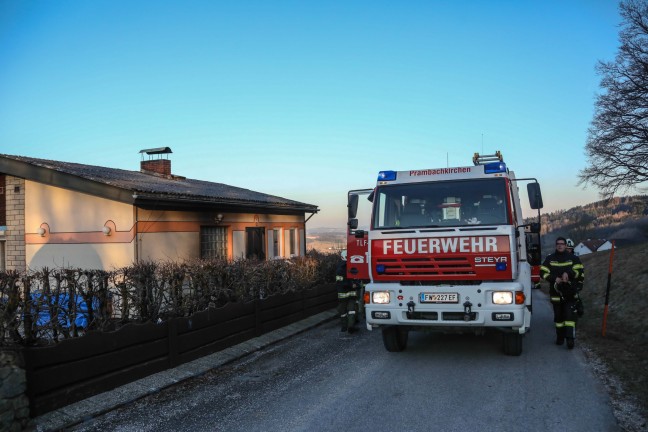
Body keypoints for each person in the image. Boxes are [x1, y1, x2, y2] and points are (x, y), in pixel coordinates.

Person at [540, 237, 585, 349]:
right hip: (556, 293)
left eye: (562, 244)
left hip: (569, 292)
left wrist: (568, 274)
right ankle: (560, 338)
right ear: (556, 246)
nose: (560, 245)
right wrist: (554, 278)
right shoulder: (550, 258)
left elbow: (579, 271)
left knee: (569, 316)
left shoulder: (573, 258)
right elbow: (543, 272)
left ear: (565, 245)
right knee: (559, 318)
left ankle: (570, 340)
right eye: (558, 244)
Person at [335, 250, 358, 333]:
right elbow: (356, 278)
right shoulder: (353, 266)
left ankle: (344, 326)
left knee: (342, 311)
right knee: (352, 310)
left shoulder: (339, 268)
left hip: (342, 293)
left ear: (342, 257)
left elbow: (340, 282)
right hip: (352, 292)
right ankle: (351, 326)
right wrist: (353, 285)